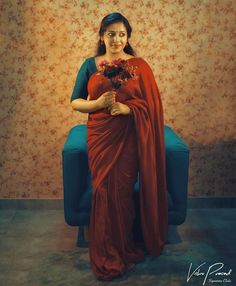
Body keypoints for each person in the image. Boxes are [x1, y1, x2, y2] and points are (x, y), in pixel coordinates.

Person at [70, 12, 168, 282]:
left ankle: (123, 246)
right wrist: (98, 104)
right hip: (100, 136)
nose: (116, 39)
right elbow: (74, 101)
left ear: (128, 37)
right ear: (102, 36)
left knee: (122, 192)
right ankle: (105, 251)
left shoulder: (139, 66)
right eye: (110, 33)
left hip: (129, 138)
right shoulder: (90, 64)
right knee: (102, 190)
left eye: (122, 34)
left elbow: (151, 106)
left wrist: (128, 108)